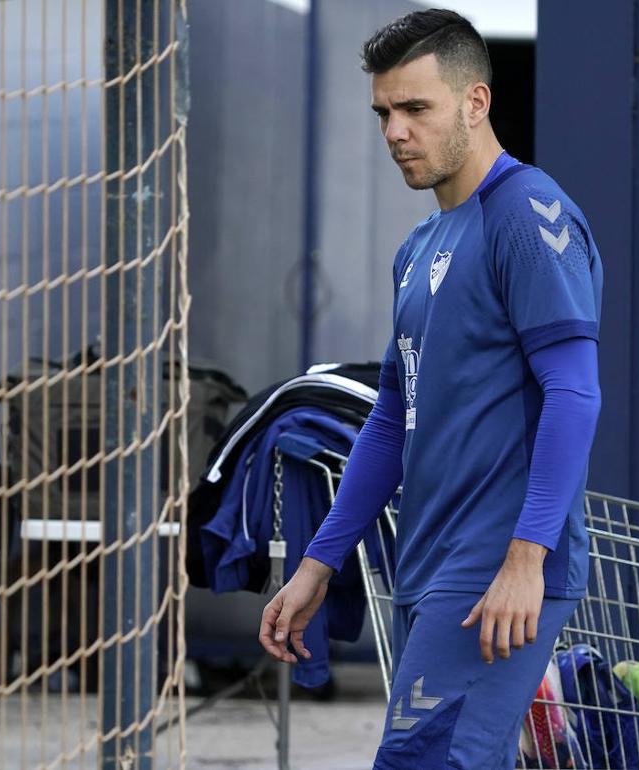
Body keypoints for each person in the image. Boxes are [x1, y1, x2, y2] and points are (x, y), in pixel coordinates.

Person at [259, 9, 603, 768]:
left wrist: (526, 559)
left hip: (491, 576)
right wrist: (320, 560)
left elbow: (575, 394)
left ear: (475, 103)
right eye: (384, 111)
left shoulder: (527, 215)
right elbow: (391, 415)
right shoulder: (421, 245)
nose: (394, 131)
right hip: (424, 565)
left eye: (416, 108)